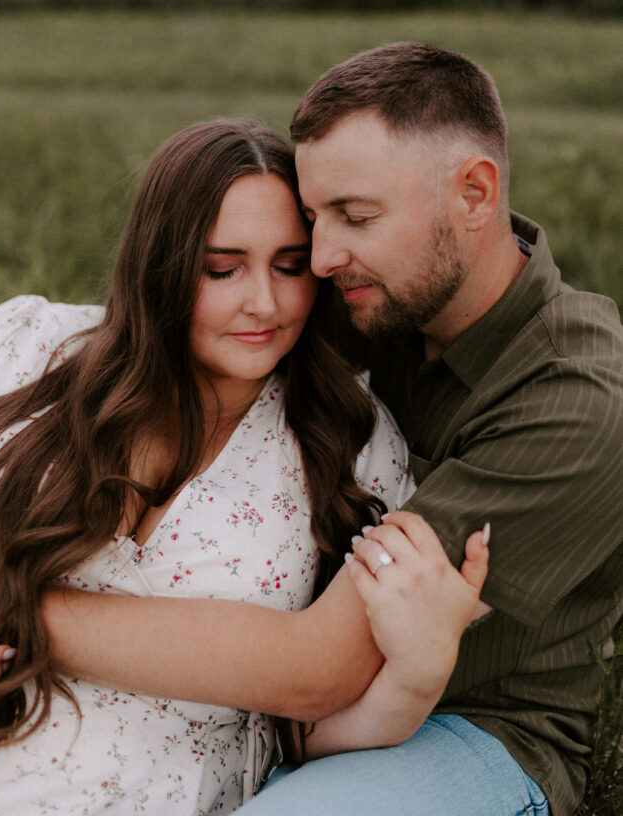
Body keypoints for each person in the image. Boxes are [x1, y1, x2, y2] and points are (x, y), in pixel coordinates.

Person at [0, 118, 489, 815]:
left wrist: (414, 676)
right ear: (160, 265)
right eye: (221, 268)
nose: (262, 302)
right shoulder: (25, 346)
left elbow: (308, 726)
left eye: (290, 266)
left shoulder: (346, 440)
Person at [237, 41, 623, 816]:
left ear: (473, 194)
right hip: (277, 694)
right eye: (314, 218)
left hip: (472, 733)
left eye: (353, 215)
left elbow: (330, 662)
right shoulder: (377, 299)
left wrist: (32, 616)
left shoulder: (582, 397)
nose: (319, 256)